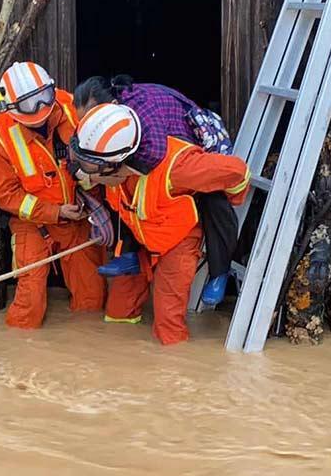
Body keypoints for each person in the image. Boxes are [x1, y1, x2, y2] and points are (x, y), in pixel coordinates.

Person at [72, 103, 250, 345]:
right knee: (118, 312)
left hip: (177, 242)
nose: (89, 176)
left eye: (93, 170)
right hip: (141, 238)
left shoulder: (179, 168)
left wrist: (227, 203)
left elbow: (237, 171)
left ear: (120, 162)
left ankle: (174, 374)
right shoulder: (114, 162)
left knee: (168, 323)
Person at [74, 75, 238, 306]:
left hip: (193, 144)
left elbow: (153, 156)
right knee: (127, 198)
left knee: (215, 199)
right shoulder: (106, 123)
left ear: (110, 107)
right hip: (154, 154)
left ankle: (219, 271)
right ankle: (129, 253)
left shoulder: (141, 112)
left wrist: (110, 173)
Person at [0, 61, 107, 329]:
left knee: (92, 299)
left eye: (43, 98)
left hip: (77, 217)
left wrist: (90, 196)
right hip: (32, 225)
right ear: (12, 108)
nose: (39, 108)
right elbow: (6, 196)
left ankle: (90, 356)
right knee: (30, 303)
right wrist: (54, 212)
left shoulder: (72, 108)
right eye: (29, 104)